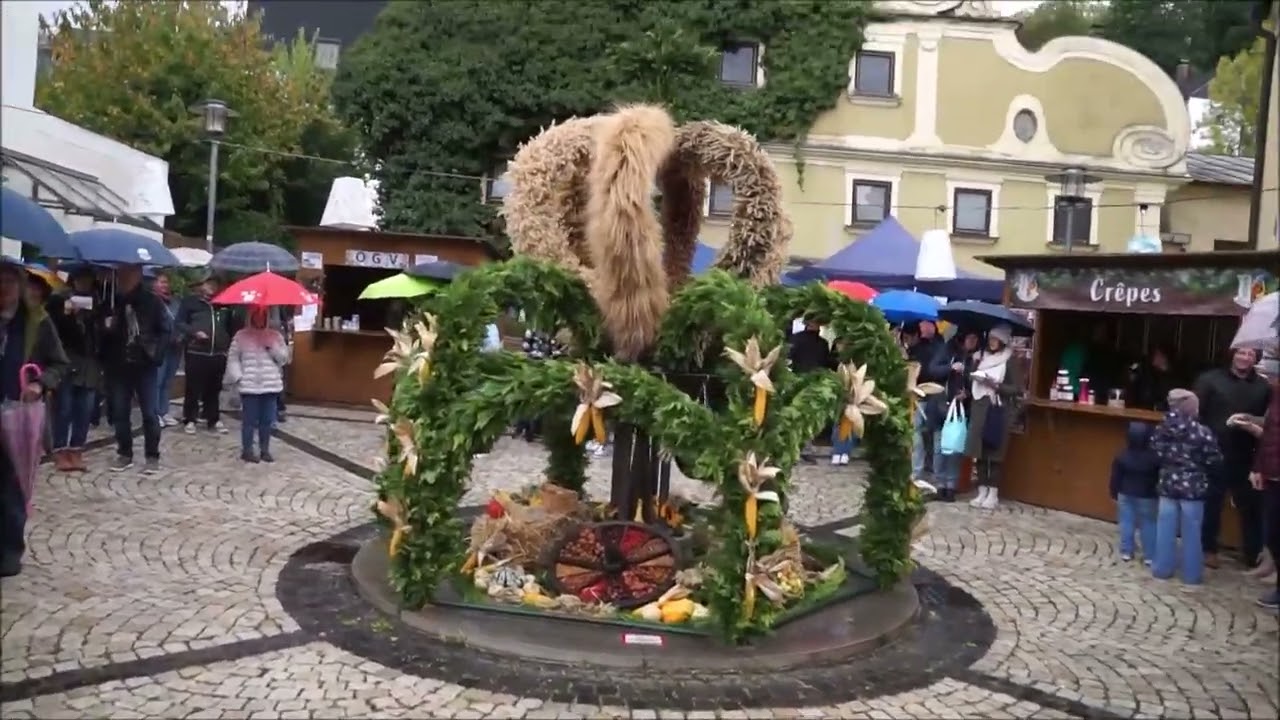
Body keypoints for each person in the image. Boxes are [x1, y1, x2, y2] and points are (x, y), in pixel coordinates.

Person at [0, 260, 69, 577]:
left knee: (13, 483)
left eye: (9, 282)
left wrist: (40, 384)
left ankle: (10, 550)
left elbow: (59, 364)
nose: (3, 289)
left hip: (18, 416)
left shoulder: (37, 322)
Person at [1193, 347, 1271, 569]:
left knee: (1251, 507)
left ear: (1256, 359)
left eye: (1250, 354)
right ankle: (1208, 549)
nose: (1245, 358)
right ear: (1233, 354)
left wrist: (1250, 423)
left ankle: (1252, 554)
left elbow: (1269, 420)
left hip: (1247, 454)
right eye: (1241, 353)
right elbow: (1196, 414)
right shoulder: (1210, 380)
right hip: (1213, 451)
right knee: (1212, 503)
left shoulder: (1263, 386)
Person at [98, 264, 169, 473]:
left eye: (130, 273)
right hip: (118, 364)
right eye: (122, 273)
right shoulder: (111, 301)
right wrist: (105, 327)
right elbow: (100, 335)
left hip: (144, 363)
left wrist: (157, 356)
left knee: (149, 412)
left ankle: (152, 455)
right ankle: (124, 452)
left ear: (138, 275)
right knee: (120, 411)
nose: (125, 278)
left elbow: (165, 330)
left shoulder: (151, 301)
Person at [1149, 389, 1222, 587]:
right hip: (1193, 488)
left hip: (1167, 485)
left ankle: (1162, 569)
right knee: (1192, 533)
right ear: (1192, 408)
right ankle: (1192, 575)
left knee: (1164, 530)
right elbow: (1214, 458)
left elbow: (1155, 453)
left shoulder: (1161, 428)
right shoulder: (1202, 431)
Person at [47, 267, 102, 472]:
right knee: (64, 407)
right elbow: (53, 330)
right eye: (80, 279)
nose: (84, 283)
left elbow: (102, 333)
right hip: (68, 359)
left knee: (85, 409)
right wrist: (68, 315)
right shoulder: (59, 301)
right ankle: (60, 451)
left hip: (90, 362)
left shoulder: (99, 302)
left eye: (88, 278)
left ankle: (76, 450)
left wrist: (100, 321)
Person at [966, 324, 1021, 510]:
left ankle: (993, 493)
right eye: (990, 339)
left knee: (994, 454)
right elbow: (970, 379)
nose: (992, 343)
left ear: (1003, 341)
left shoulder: (1009, 360)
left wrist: (996, 385)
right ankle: (981, 490)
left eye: (995, 340)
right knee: (980, 453)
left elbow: (1017, 388)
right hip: (979, 408)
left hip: (997, 410)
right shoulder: (982, 357)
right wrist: (975, 368)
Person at [224, 306, 288, 463]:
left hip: (270, 384)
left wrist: (271, 347)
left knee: (267, 420)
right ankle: (247, 450)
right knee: (249, 420)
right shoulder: (241, 336)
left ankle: (265, 449)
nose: (259, 318)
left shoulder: (275, 336)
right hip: (249, 385)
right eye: (256, 315)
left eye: (262, 315)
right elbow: (233, 358)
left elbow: (284, 359)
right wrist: (238, 377)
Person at [175, 275, 233, 435]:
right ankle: (190, 418)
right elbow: (179, 323)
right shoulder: (190, 302)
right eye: (209, 284)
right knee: (193, 387)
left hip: (218, 353)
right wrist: (194, 332)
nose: (212, 287)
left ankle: (213, 418)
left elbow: (230, 326)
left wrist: (227, 344)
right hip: (196, 351)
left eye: (215, 284)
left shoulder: (223, 303)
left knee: (214, 388)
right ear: (202, 285)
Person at [1245, 354, 1280, 609]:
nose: (1268, 379)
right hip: (1273, 475)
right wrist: (1258, 468)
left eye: (1271, 375)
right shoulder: (1275, 397)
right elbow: (1270, 434)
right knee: (1273, 533)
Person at [928, 328, 979, 501]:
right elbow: (933, 369)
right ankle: (939, 485)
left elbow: (976, 384)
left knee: (955, 449)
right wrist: (951, 368)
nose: (973, 342)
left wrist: (967, 393)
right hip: (941, 408)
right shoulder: (947, 350)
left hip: (960, 410)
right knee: (939, 449)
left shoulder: (974, 359)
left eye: (976, 339)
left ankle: (951, 486)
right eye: (970, 338)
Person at [1109, 422, 1159, 563]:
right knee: (1149, 524)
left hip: (1125, 493)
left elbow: (1115, 477)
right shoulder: (1154, 458)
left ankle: (1127, 551)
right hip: (1148, 495)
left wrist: (1113, 493)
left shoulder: (1121, 455)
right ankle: (1149, 555)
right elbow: (1158, 477)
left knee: (1126, 522)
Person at [789, 317, 836, 463]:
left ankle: (803, 447)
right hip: (803, 382)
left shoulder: (820, 342)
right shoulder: (801, 340)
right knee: (801, 415)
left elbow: (827, 363)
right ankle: (800, 448)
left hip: (811, 382)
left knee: (807, 416)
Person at [908, 320, 945, 481]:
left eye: (925, 325)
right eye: (921, 325)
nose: (922, 328)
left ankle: (935, 472)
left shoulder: (941, 346)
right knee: (917, 435)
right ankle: (916, 470)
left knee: (935, 435)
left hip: (935, 396)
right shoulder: (916, 348)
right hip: (918, 395)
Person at [152, 272, 183, 427]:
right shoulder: (152, 302)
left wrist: (181, 334)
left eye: (166, 282)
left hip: (175, 347)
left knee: (168, 381)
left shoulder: (176, 302)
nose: (165, 285)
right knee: (157, 380)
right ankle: (155, 412)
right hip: (160, 346)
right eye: (161, 282)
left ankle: (164, 411)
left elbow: (182, 320)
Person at [1129, 344, 1177, 411]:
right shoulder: (1146, 372)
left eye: (1158, 355)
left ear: (1164, 358)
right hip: (1141, 410)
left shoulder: (1173, 380)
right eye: (1155, 354)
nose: (1154, 357)